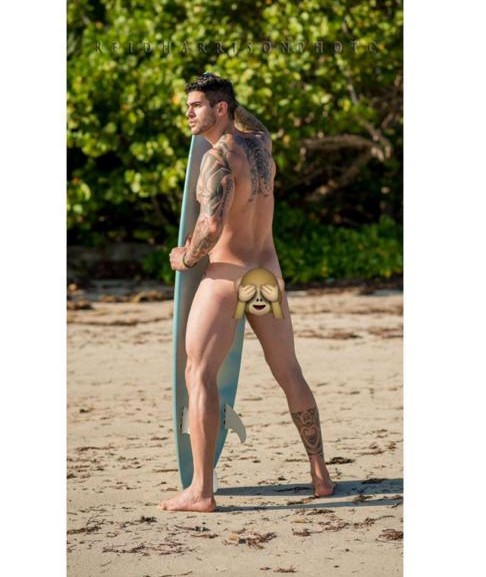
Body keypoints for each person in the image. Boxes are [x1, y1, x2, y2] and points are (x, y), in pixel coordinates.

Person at [160, 73, 335, 513]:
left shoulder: (217, 159)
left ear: (220, 109)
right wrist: (230, 100)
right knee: (289, 371)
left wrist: (184, 258)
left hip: (227, 278)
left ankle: (201, 491)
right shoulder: (260, 145)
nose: (188, 113)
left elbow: (210, 226)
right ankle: (320, 474)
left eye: (197, 105)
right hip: (266, 276)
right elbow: (254, 122)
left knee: (199, 373)